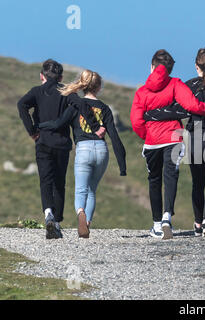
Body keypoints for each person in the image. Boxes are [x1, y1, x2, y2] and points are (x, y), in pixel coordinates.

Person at [143, 47, 205, 237]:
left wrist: (151, 115)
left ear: (197, 67)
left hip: (197, 136)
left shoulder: (190, 86)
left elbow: (179, 109)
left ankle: (196, 223)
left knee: (198, 182)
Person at [17, 59, 105, 239]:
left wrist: (32, 130)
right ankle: (56, 221)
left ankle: (48, 213)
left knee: (45, 180)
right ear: (61, 77)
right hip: (62, 145)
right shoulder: (67, 91)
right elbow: (82, 105)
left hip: (42, 142)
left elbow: (21, 105)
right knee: (59, 182)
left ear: (42, 76)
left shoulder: (36, 91)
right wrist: (96, 127)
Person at [38, 70, 126, 238]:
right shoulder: (105, 109)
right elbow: (114, 136)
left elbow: (57, 124)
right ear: (99, 87)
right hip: (101, 150)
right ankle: (87, 224)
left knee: (80, 190)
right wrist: (122, 164)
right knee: (91, 190)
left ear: (83, 85)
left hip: (83, 149)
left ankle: (80, 213)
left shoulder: (75, 106)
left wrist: (40, 126)